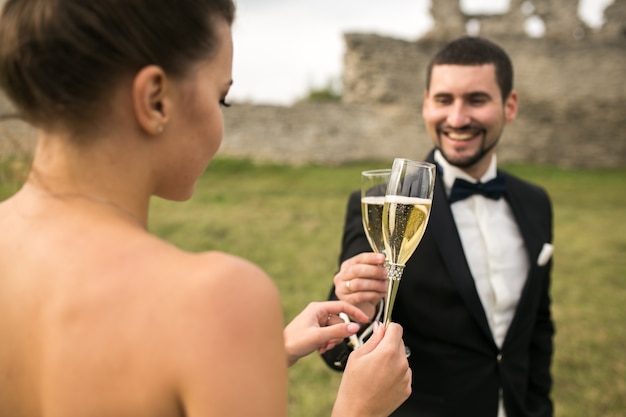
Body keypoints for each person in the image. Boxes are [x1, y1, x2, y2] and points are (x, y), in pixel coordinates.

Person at [0, 1, 411, 416]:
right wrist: (359, 409)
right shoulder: (216, 297)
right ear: (156, 99)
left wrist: (263, 355)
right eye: (222, 98)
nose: (221, 119)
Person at [322, 36, 555, 417]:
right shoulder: (384, 205)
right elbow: (337, 348)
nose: (457, 118)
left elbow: (538, 330)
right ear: (426, 104)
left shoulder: (536, 203)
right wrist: (356, 309)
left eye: (476, 100)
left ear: (509, 106)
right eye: (444, 100)